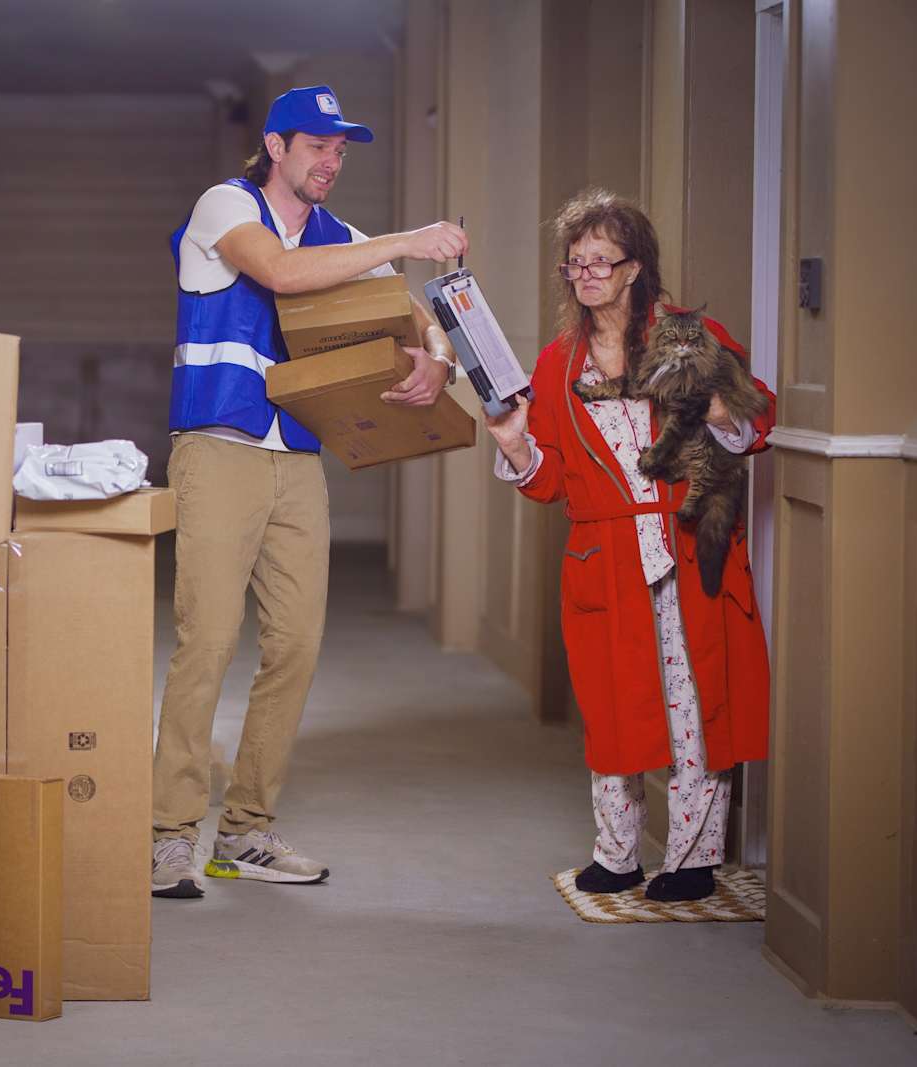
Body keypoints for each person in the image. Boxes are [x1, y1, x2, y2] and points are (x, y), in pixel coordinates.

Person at [152, 84, 469, 899]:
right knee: (210, 640)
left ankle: (247, 831)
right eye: (317, 145)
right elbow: (284, 275)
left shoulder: (344, 238)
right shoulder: (225, 205)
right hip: (218, 448)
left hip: (296, 458)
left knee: (295, 644)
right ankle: (168, 833)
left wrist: (435, 353)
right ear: (276, 144)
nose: (331, 160)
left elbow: (407, 306)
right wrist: (409, 238)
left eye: (341, 150)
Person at [485, 188, 774, 902]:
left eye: (600, 262)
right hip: (605, 556)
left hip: (686, 540)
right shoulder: (557, 364)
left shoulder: (690, 336)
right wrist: (517, 447)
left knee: (693, 699)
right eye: (574, 264)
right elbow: (551, 479)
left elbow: (756, 420)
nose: (585, 275)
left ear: (634, 268)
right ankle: (617, 853)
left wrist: (707, 399)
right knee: (613, 704)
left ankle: (693, 857)